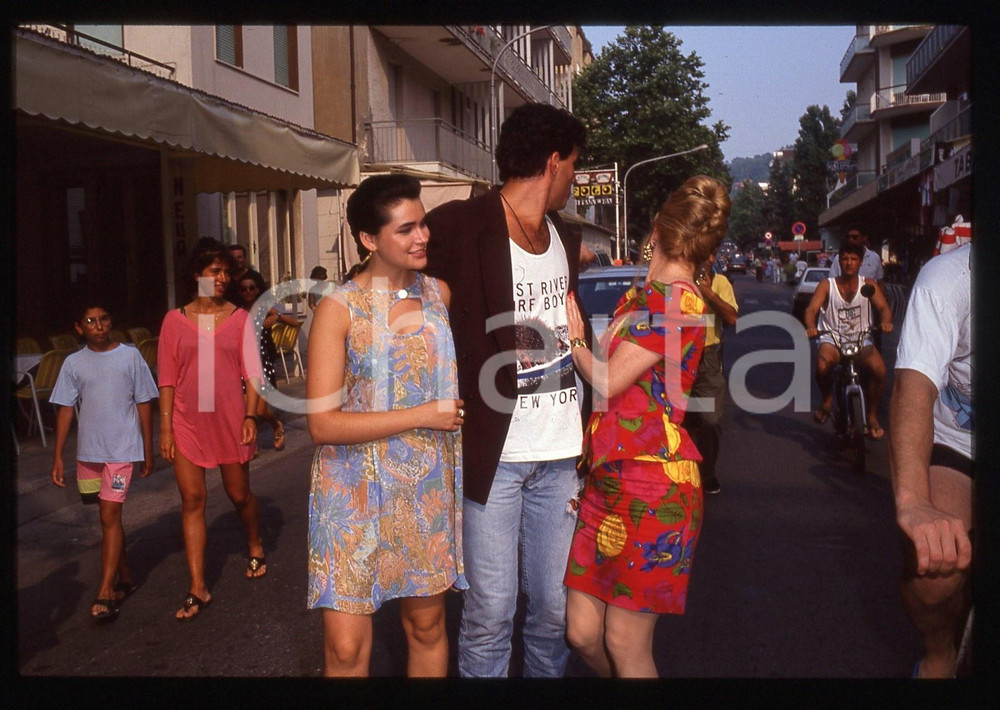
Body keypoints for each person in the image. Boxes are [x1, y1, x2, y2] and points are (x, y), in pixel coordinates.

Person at [423, 102, 587, 677]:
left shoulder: (562, 233)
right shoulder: (461, 223)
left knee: (552, 609)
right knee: (490, 612)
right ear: (552, 161)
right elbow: (388, 275)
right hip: (495, 456)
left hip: (561, 454)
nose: (574, 176)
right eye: (573, 164)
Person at [563, 175, 731, 677]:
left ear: (656, 229)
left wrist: (576, 343)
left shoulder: (678, 301)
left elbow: (610, 381)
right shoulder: (643, 297)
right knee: (581, 632)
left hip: (654, 487)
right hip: (606, 480)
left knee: (624, 641)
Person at [306, 174, 466, 677]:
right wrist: (424, 415)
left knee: (427, 629)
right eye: (406, 229)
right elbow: (323, 424)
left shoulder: (439, 295)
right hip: (351, 489)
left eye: (423, 225)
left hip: (424, 491)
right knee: (347, 650)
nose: (422, 238)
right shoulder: (339, 308)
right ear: (368, 239)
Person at [158, 237, 266, 621]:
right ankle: (198, 587)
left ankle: (254, 542)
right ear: (196, 275)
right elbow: (168, 378)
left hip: (230, 420)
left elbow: (253, 375)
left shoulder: (239, 319)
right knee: (192, 500)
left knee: (239, 495)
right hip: (187, 421)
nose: (222, 278)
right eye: (214, 272)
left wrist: (251, 416)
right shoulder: (175, 320)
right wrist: (166, 429)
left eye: (225, 272)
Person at [889, 243, 973, 678]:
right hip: (959, 443)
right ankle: (939, 652)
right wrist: (914, 501)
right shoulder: (949, 279)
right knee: (932, 578)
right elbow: (913, 387)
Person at [50, 302, 159, 623]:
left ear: (111, 322)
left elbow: (144, 403)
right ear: (78, 327)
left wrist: (147, 449)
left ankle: (105, 590)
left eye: (103, 319)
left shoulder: (130, 356)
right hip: (89, 454)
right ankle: (125, 576)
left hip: (121, 451)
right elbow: (66, 408)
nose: (98, 325)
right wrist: (58, 457)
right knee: (106, 518)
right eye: (90, 321)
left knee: (111, 513)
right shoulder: (73, 363)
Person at [804, 241, 894, 440]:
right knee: (822, 365)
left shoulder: (868, 285)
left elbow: (883, 308)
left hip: (861, 339)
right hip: (832, 338)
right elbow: (811, 309)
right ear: (839, 261)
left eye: (854, 259)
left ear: (860, 262)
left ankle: (871, 416)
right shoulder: (827, 285)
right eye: (845, 259)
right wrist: (811, 326)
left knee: (879, 370)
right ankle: (827, 401)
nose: (849, 263)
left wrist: (886, 322)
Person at [685, 250, 739, 494]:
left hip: (707, 355)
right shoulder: (677, 280)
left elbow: (731, 318)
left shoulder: (721, 283)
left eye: (708, 253)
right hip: (675, 354)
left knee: (710, 419)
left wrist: (706, 291)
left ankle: (707, 472)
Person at [234, 269, 299, 451]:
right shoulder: (237, 312)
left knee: (260, 411)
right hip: (244, 365)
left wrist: (276, 317)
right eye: (244, 289)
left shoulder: (264, 309)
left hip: (262, 365)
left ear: (257, 290)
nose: (248, 292)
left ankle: (276, 424)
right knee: (247, 408)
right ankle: (251, 446)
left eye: (251, 288)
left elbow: (294, 323)